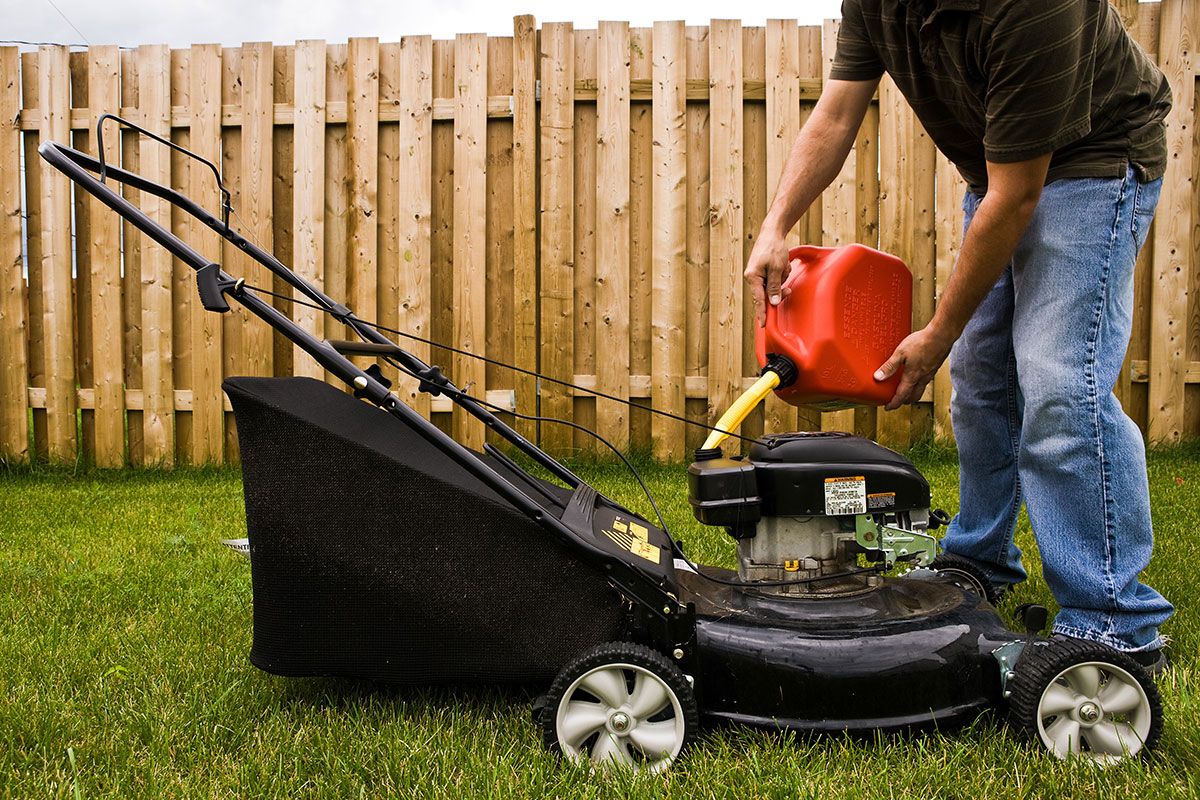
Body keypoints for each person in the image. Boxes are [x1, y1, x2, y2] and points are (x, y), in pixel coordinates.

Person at [744, 0, 1173, 671]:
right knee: (981, 384)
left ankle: (1115, 620)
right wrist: (775, 226)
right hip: (998, 174)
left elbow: (1017, 194)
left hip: (1094, 161)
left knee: (1061, 380)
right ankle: (981, 561)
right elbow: (833, 115)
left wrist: (938, 333)